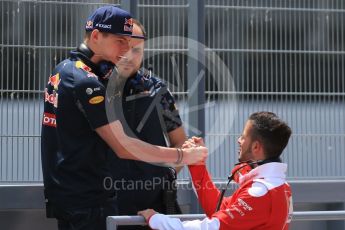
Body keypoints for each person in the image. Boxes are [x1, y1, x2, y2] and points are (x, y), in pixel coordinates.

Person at [40, 5, 207, 230]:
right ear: (97, 36)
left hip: (103, 200)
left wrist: (165, 173)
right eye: (121, 41)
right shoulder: (87, 80)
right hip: (90, 202)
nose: (127, 50)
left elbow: (177, 136)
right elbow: (124, 146)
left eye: (135, 47)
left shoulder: (67, 70)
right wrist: (183, 156)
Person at [139, 111, 293, 230]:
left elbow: (212, 227)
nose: (239, 140)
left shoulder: (261, 192)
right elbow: (219, 209)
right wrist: (197, 165)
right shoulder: (279, 186)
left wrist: (157, 220)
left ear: (256, 147)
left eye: (243, 136)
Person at [108, 19, 186, 229]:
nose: (129, 55)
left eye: (136, 49)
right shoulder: (93, 88)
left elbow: (180, 141)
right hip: (106, 205)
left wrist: (166, 175)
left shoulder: (157, 90)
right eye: (123, 46)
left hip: (154, 208)